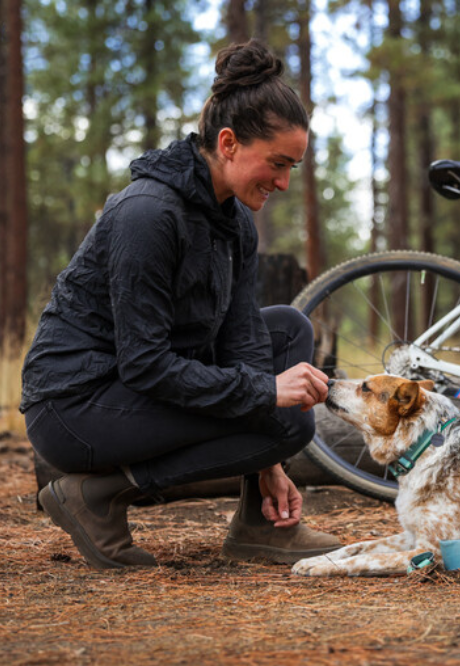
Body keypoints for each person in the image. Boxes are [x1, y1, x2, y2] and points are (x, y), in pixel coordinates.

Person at [20, 40, 341, 570]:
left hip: (139, 383)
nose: (284, 183)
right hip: (76, 404)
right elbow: (145, 363)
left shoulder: (235, 221)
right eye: (278, 163)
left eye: (293, 168)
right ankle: (97, 496)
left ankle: (261, 526)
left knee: (287, 331)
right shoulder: (147, 214)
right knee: (288, 417)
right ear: (230, 142)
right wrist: (264, 396)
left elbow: (242, 339)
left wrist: (268, 464)